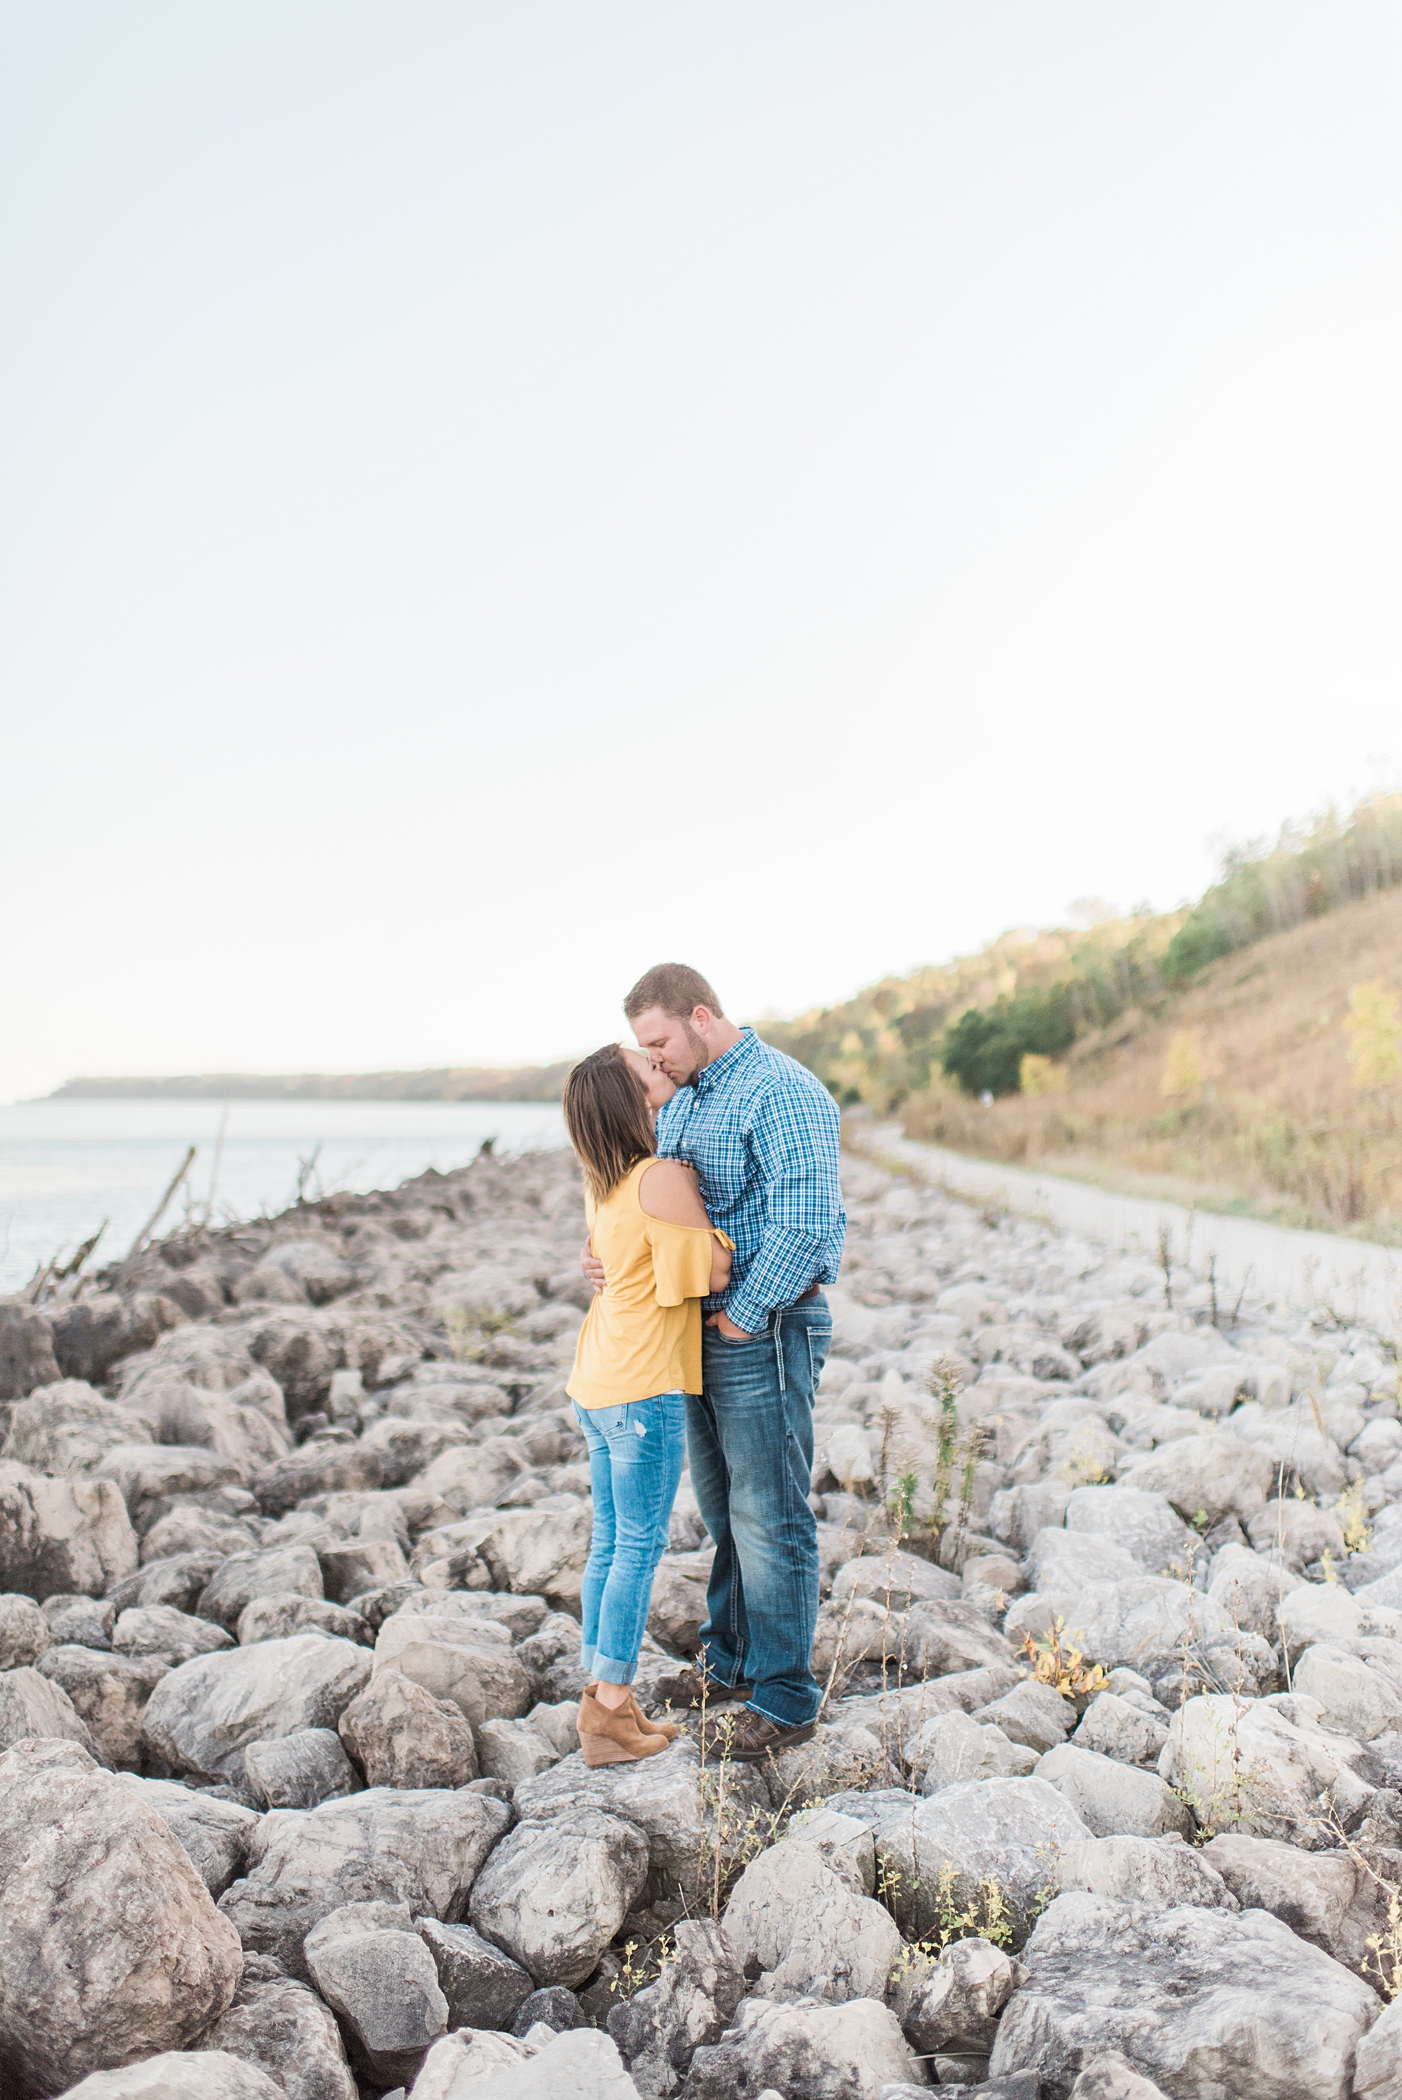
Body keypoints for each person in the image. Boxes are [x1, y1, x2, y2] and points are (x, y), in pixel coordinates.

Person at [585, 962, 846, 1761]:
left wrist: (738, 1316)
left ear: (701, 1016)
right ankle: (730, 1661)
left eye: (659, 1040)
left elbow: (805, 1223)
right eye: (644, 1049)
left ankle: (785, 1696)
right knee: (724, 1505)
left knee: (770, 1513)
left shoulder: (781, 1088)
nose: (653, 1059)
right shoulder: (686, 1093)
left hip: (759, 1326)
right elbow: (645, 1198)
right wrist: (602, 1257)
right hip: (687, 1331)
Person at [563, 1042, 734, 1766]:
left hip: (598, 1377)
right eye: (645, 1068)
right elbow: (713, 1270)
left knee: (611, 1542)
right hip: (643, 1383)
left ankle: (605, 1697)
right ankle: (607, 1710)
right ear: (626, 1101)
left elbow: (620, 1261)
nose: (657, 1068)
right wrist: (700, 1209)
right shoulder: (659, 1177)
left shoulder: (602, 1180)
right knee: (637, 1545)